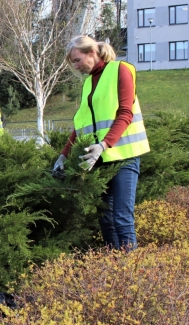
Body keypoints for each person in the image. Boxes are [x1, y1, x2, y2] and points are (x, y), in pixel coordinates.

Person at [52, 35, 150, 251]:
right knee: (106, 219)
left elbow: (126, 113)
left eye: (77, 60)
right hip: (100, 159)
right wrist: (63, 155)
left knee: (122, 219)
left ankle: (131, 278)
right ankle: (113, 271)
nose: (76, 67)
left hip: (123, 157)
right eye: (73, 63)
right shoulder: (88, 83)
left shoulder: (121, 70)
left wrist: (104, 144)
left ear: (92, 52)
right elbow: (81, 125)